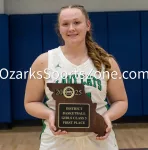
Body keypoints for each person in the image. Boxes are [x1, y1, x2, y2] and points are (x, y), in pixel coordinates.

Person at [24, 4, 128, 150]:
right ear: (59, 29)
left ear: (87, 25)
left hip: (99, 141)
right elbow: (30, 102)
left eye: (77, 22)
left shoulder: (106, 61)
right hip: (57, 142)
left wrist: (107, 118)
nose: (71, 28)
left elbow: (121, 101)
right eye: (65, 24)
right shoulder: (43, 61)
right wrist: (50, 114)